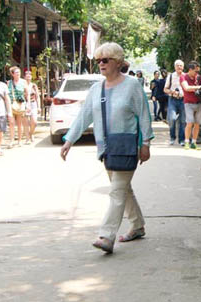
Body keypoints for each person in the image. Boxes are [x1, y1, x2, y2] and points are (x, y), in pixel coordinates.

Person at [60, 42, 154, 254]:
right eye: (99, 60)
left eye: (106, 60)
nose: (101, 64)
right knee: (122, 189)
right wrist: (69, 141)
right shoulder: (96, 89)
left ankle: (106, 235)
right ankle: (138, 225)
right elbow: (84, 117)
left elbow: (144, 115)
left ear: (118, 62)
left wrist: (146, 143)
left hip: (127, 146)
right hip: (106, 149)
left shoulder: (132, 85)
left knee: (116, 192)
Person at [180, 61, 201, 150]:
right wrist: (199, 87)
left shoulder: (199, 77)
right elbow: (186, 88)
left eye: (198, 71)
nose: (197, 73)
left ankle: (194, 143)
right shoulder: (183, 77)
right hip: (188, 103)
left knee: (197, 124)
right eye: (196, 71)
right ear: (190, 69)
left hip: (199, 103)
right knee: (189, 122)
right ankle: (187, 142)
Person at [164, 60, 186, 146]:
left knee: (183, 121)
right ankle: (172, 137)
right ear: (175, 67)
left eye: (181, 65)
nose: (179, 67)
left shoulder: (186, 76)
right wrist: (172, 92)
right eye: (177, 65)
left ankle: (182, 139)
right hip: (172, 99)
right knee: (172, 119)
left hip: (183, 100)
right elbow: (165, 89)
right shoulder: (170, 76)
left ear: (183, 67)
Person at [7, 66, 30, 146]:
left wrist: (28, 104)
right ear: (12, 74)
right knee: (11, 123)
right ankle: (12, 140)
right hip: (11, 104)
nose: (18, 74)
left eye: (19, 72)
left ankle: (20, 140)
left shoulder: (23, 82)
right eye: (16, 73)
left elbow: (27, 94)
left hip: (20, 104)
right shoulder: (9, 83)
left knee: (19, 123)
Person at [24, 70, 41, 139]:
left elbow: (37, 97)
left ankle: (31, 133)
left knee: (34, 122)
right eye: (27, 76)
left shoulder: (34, 85)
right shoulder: (22, 85)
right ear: (24, 77)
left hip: (33, 104)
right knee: (26, 122)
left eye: (29, 76)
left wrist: (39, 107)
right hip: (25, 104)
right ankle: (28, 137)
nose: (28, 77)